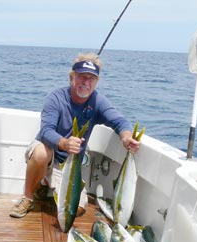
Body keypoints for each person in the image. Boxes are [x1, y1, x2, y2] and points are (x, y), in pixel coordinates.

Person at [9, 52, 140, 218]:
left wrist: (127, 138)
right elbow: (46, 131)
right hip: (50, 153)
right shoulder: (56, 98)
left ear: (96, 82)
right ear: (72, 78)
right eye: (81, 77)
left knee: (75, 210)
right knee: (42, 152)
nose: (85, 82)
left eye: (91, 78)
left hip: (69, 164)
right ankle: (27, 197)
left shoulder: (98, 101)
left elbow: (120, 122)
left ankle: (45, 183)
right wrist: (64, 143)